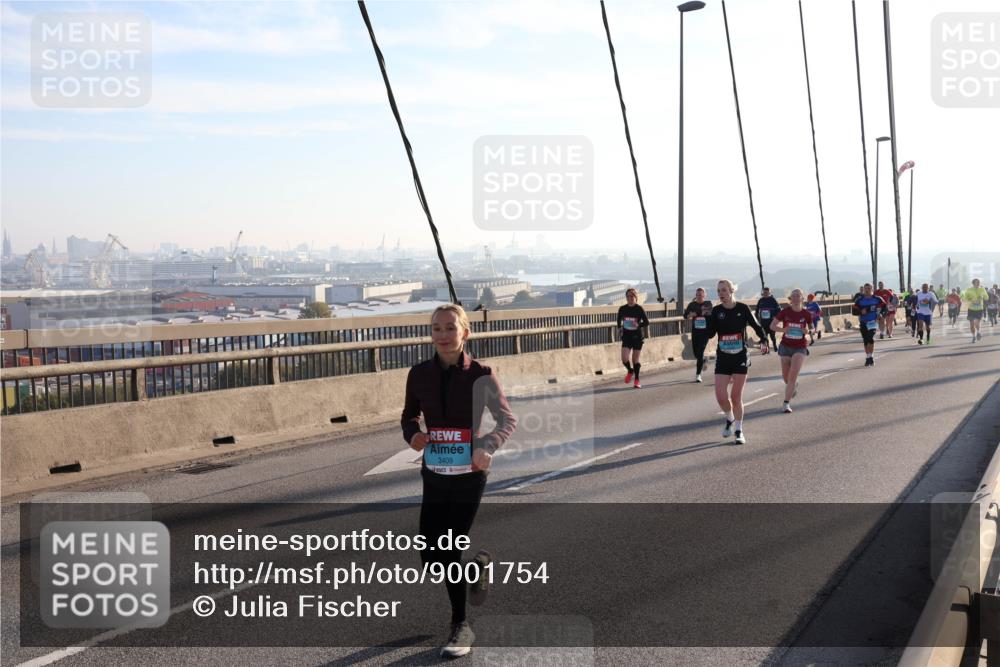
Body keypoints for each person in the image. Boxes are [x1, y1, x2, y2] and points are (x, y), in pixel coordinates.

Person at [401, 304, 517, 658]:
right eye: (436, 328)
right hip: (434, 473)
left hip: (470, 475)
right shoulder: (418, 373)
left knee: (450, 546)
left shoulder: (482, 374)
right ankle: (477, 568)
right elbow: (409, 415)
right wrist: (413, 436)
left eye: (450, 328)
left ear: (465, 332)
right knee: (431, 556)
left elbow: (506, 420)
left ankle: (460, 625)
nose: (442, 335)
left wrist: (487, 447)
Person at [706, 279, 769, 445]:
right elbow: (711, 334)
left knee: (735, 397)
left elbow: (756, 326)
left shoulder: (742, 308)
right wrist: (707, 318)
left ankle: (739, 430)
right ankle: (730, 419)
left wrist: (763, 340)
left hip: (740, 356)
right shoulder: (717, 311)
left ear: (732, 291)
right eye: (719, 291)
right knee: (721, 397)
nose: (721, 294)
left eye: (724, 290)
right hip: (723, 357)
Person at [771, 288, 813, 413]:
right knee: (786, 378)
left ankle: (786, 403)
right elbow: (772, 326)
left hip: (800, 346)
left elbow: (812, 328)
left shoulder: (806, 314)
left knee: (793, 374)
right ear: (790, 299)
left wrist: (808, 331)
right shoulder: (785, 312)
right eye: (792, 296)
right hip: (785, 347)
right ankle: (792, 386)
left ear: (802, 298)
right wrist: (783, 330)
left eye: (797, 296)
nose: (795, 298)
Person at [617, 288, 649, 388]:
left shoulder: (639, 309)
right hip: (626, 336)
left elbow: (647, 322)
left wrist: (638, 325)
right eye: (628, 296)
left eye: (632, 296)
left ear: (635, 297)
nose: (630, 298)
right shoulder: (622, 309)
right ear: (626, 298)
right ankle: (630, 371)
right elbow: (618, 321)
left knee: (635, 360)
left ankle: (637, 379)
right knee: (624, 358)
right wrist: (619, 328)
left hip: (637, 337)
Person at [683, 286, 713, 383]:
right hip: (695, 332)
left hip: (705, 332)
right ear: (695, 296)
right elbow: (685, 316)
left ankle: (698, 375)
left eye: (701, 294)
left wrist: (702, 313)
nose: (699, 296)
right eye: (697, 295)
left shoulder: (708, 304)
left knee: (700, 352)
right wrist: (689, 315)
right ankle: (704, 360)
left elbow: (711, 313)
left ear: (704, 295)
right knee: (696, 353)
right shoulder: (692, 304)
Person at [852, 283, 886, 367]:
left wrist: (881, 314)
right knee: (865, 340)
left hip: (873, 322)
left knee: (870, 337)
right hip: (863, 322)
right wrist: (860, 312)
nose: (867, 290)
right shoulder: (859, 300)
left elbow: (885, 307)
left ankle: (871, 356)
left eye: (868, 288)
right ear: (863, 289)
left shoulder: (877, 299)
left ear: (872, 289)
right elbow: (853, 311)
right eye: (865, 288)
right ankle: (868, 357)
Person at [963, 278, 990, 342]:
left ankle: (978, 332)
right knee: (972, 325)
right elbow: (965, 299)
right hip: (971, 309)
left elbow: (987, 298)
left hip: (979, 309)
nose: (978, 284)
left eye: (979, 282)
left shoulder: (982, 289)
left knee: (976, 322)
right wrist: (971, 301)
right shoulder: (969, 290)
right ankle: (973, 336)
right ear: (973, 283)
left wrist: (983, 296)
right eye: (977, 282)